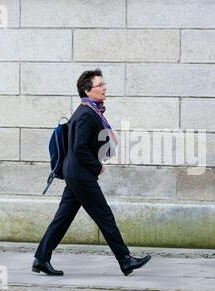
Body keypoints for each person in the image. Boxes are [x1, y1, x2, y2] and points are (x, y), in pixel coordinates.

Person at [32, 69, 151, 276]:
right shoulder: (87, 114)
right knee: (105, 216)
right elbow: (79, 148)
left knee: (63, 218)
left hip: (75, 174)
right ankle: (125, 260)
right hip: (81, 175)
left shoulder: (87, 110)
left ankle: (41, 259)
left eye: (104, 84)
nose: (105, 88)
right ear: (88, 91)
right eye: (100, 85)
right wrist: (97, 167)